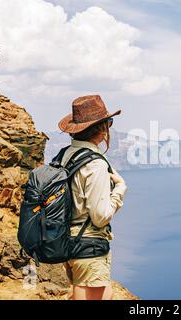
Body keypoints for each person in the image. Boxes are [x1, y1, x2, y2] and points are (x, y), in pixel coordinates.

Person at [57, 95, 127, 300]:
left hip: (68, 242)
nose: (109, 128)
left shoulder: (65, 155)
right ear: (101, 128)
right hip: (89, 246)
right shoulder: (95, 164)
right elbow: (100, 216)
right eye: (109, 123)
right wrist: (120, 190)